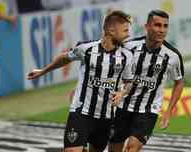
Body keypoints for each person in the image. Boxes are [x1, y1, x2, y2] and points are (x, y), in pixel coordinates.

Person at [27, 10, 134, 152]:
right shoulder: (86, 49)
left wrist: (122, 93)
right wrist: (43, 71)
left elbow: (129, 82)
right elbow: (65, 58)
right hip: (81, 112)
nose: (128, 34)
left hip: (106, 117)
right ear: (111, 31)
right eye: (125, 30)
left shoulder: (127, 56)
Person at [109, 10, 185, 152]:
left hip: (148, 110)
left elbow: (179, 82)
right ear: (147, 27)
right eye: (157, 25)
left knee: (132, 148)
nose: (161, 30)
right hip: (122, 106)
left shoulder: (173, 56)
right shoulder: (129, 47)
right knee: (114, 148)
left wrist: (168, 111)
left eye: (165, 26)